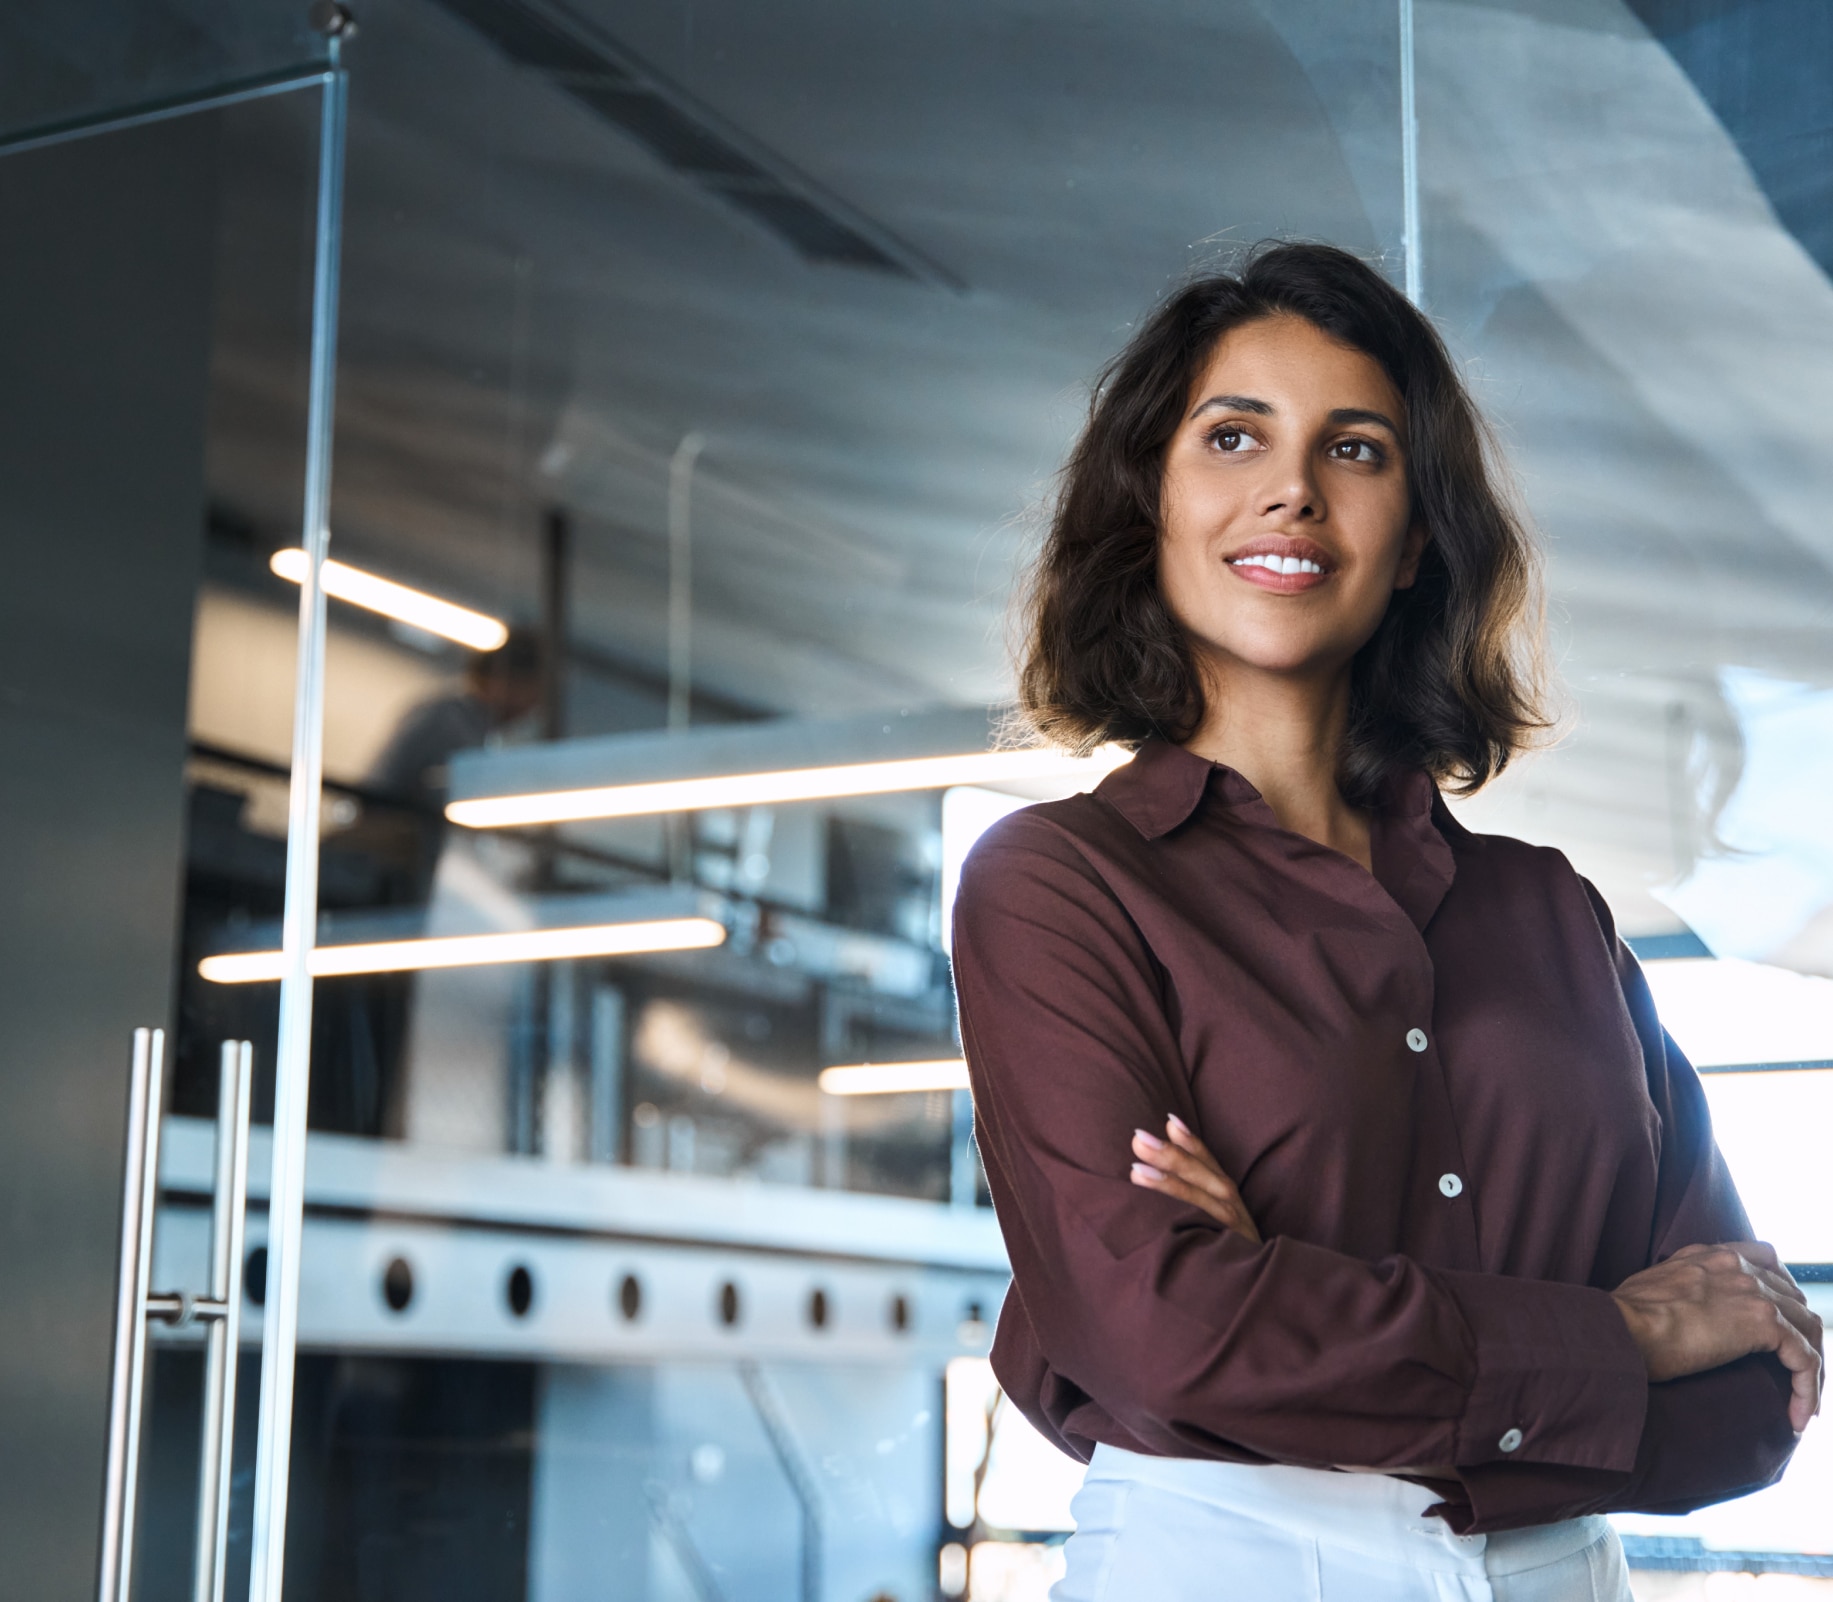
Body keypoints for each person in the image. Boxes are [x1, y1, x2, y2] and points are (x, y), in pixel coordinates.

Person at [950, 243, 1822, 1601]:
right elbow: (1159, 1337)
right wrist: (1618, 1341)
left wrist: (1289, 1306)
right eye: (1232, 436)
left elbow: (1751, 1395)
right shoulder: (1060, 886)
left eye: (1353, 449)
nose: (1289, 487)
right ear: (1150, 505)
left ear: (1415, 536)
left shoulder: (1553, 915)